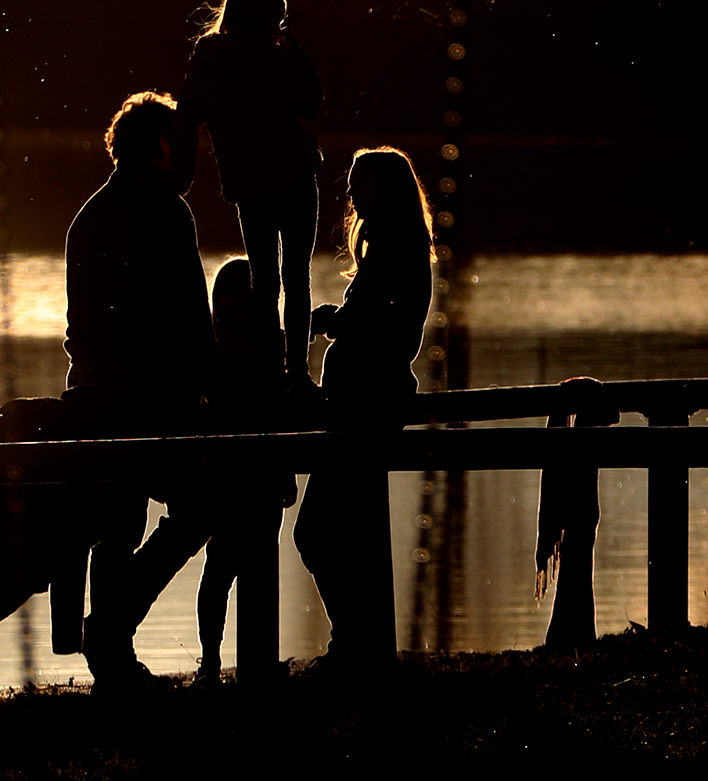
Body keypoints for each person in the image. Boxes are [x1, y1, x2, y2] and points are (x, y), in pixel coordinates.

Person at [63, 90, 218, 693]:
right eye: (179, 143)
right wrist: (208, 385)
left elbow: (84, 327)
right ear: (159, 145)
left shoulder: (89, 215)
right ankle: (110, 630)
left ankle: (112, 652)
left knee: (117, 524)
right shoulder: (167, 213)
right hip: (153, 397)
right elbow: (190, 314)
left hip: (100, 394)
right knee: (200, 505)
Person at [294, 147, 435, 668]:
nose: (352, 194)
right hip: (358, 403)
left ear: (391, 189)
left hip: (364, 405)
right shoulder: (390, 248)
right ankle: (360, 644)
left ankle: (353, 642)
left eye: (363, 184)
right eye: (351, 184)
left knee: (316, 532)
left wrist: (337, 322)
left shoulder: (396, 249)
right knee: (347, 532)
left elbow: (389, 327)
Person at [171, 0, 324, 393]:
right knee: (296, 278)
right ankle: (297, 372)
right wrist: (296, 55)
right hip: (294, 177)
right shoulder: (271, 56)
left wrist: (177, 180)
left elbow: (187, 117)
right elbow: (310, 102)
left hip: (248, 185)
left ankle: (268, 372)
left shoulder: (207, 58)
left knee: (264, 280)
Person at [194, 257, 299, 685]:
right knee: (218, 569)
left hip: (265, 473)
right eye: (231, 293)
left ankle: (259, 660)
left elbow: (283, 411)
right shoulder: (208, 348)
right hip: (224, 475)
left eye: (248, 293)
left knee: (260, 564)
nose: (241, 302)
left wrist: (287, 471)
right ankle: (211, 661)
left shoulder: (273, 346)